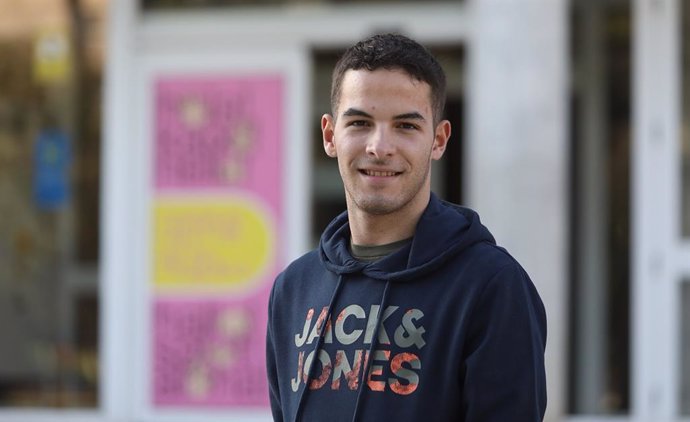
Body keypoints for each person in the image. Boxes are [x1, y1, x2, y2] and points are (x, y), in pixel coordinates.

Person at [266, 33, 547, 422]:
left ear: (439, 139)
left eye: (406, 126)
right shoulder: (294, 289)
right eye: (360, 122)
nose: (380, 147)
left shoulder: (490, 286)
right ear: (330, 135)